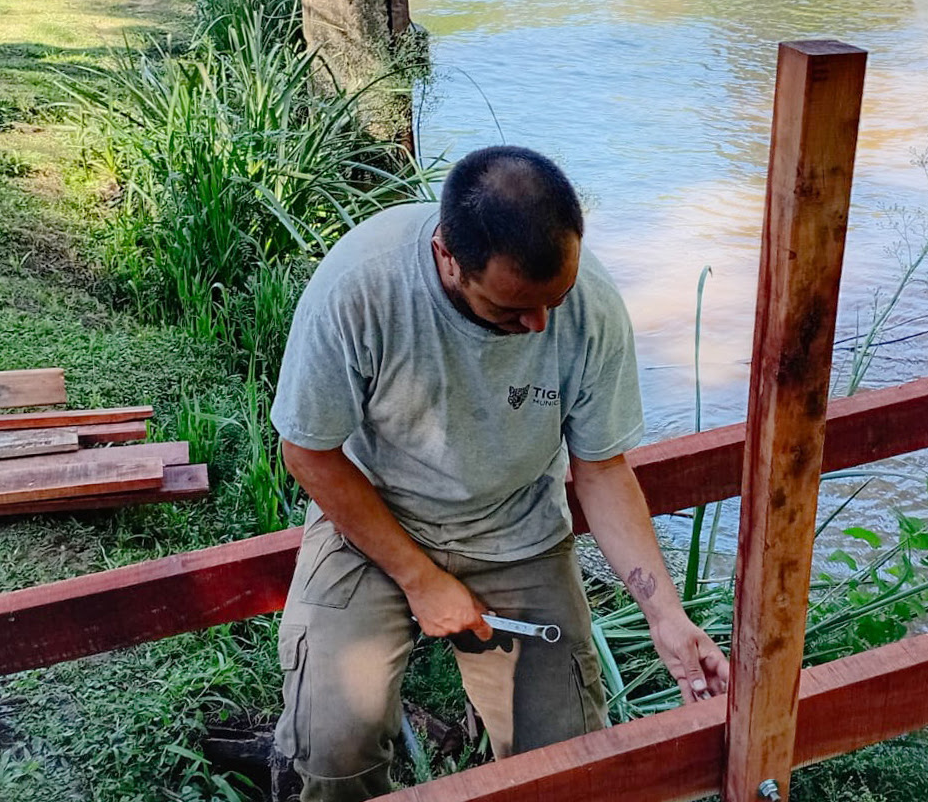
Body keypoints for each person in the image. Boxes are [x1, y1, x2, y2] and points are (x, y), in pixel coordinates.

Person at [269, 145, 729, 801]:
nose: (539, 324)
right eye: (511, 310)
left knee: (567, 767)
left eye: (554, 300)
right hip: (372, 521)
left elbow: (602, 469)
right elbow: (308, 453)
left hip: (519, 530)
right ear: (447, 258)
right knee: (332, 744)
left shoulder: (592, 308)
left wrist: (665, 616)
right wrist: (420, 579)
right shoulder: (361, 287)